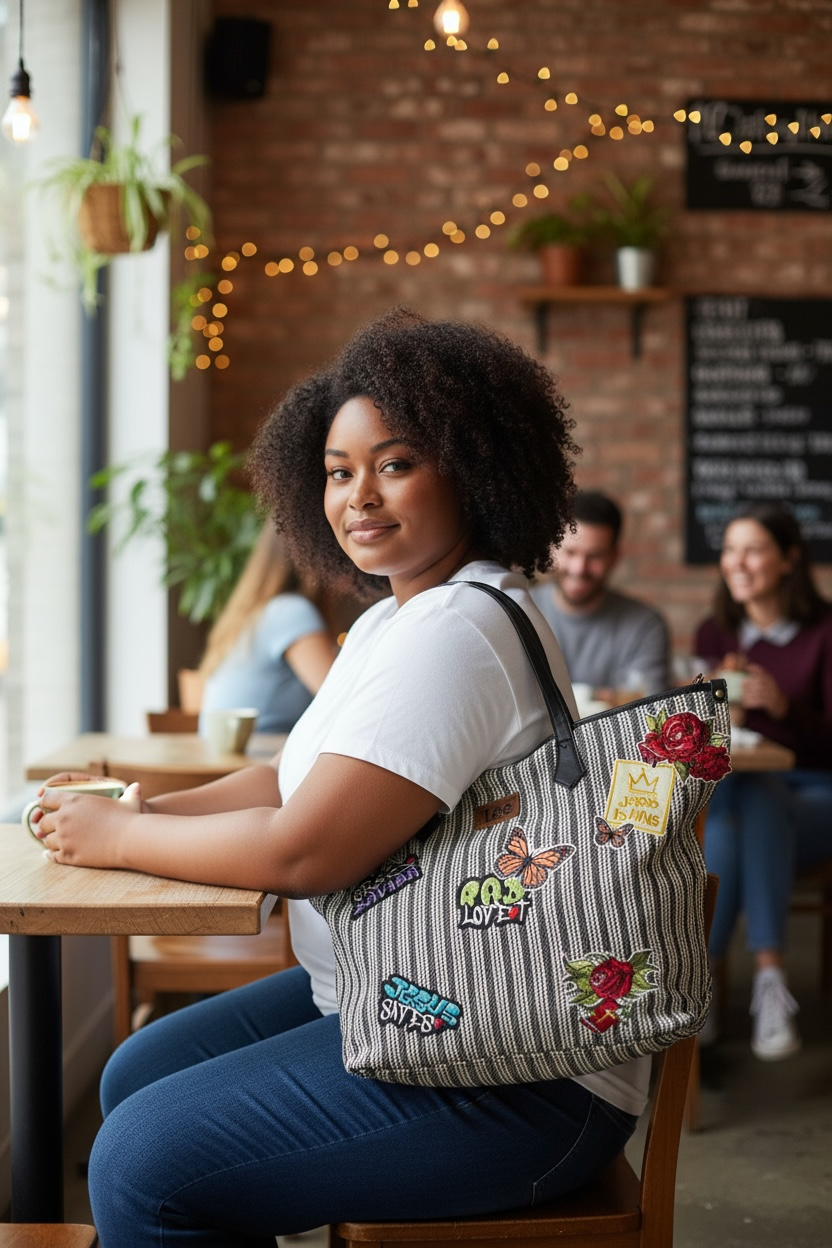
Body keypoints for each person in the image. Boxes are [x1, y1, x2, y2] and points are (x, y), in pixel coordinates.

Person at [34, 309, 651, 1247]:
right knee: (135, 1077)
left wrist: (115, 839)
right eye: (337, 471)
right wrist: (144, 808)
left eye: (396, 464)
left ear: (474, 469)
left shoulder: (460, 629)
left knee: (138, 1163)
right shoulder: (393, 620)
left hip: (521, 1069)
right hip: (402, 992)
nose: (358, 495)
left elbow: (306, 847)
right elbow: (286, 780)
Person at [695, 502, 832, 1061]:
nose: (737, 563)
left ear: (788, 560)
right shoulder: (715, 631)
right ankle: (769, 982)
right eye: (730, 550)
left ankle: (701, 986)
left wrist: (784, 706)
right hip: (751, 797)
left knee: (752, 798)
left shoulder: (824, 633)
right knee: (746, 796)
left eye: (753, 550)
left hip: (818, 794)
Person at [530, 490, 670, 701]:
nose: (579, 569)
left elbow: (648, 711)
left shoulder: (645, 625)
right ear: (552, 549)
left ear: (615, 558)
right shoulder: (521, 610)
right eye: (570, 552)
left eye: (594, 556)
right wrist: (603, 696)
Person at [197, 523, 335, 734]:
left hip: (225, 761)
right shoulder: (291, 612)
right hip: (260, 758)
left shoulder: (253, 614)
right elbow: (342, 701)